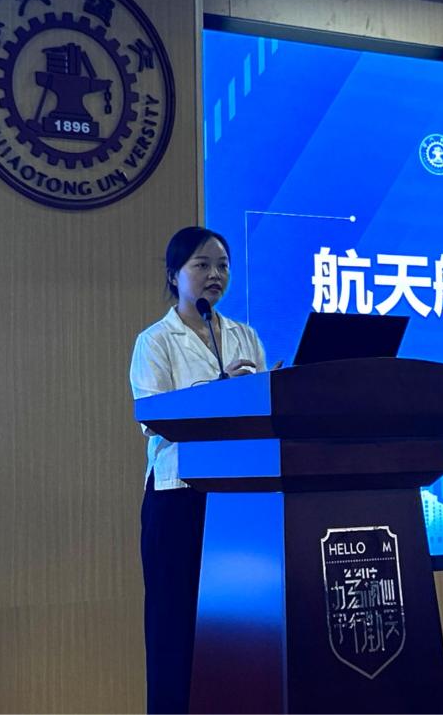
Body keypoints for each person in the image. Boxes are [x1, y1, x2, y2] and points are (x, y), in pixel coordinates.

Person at [130, 226, 267, 714]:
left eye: (223, 265)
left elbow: (260, 410)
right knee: (174, 622)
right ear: (174, 275)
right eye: (202, 265)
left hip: (237, 497)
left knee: (236, 622)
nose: (215, 274)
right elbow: (154, 417)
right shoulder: (155, 341)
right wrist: (220, 391)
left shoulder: (245, 336)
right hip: (177, 497)